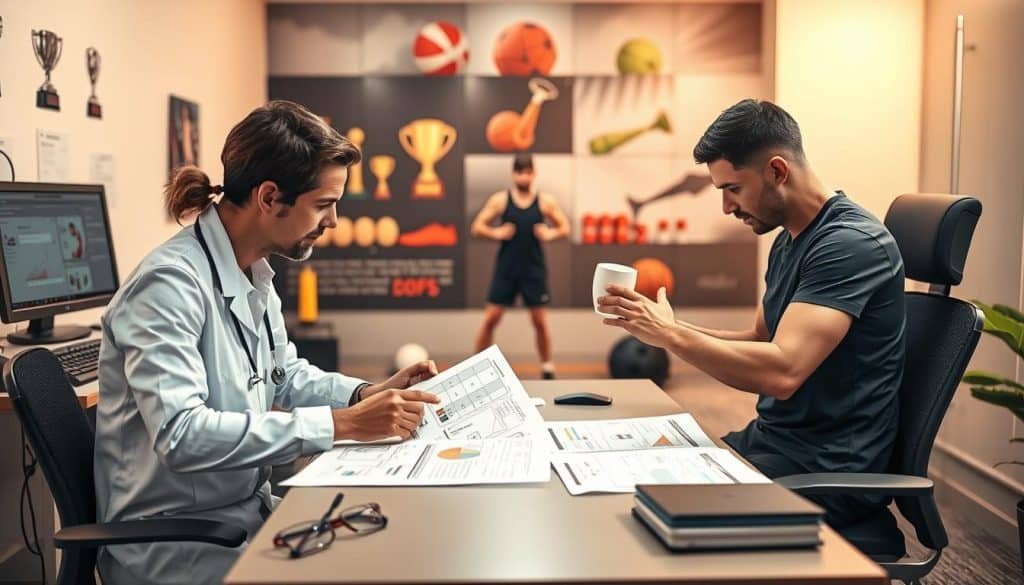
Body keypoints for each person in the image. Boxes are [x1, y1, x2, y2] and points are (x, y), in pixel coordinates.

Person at [94, 100, 441, 584]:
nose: (334, 220)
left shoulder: (252, 270)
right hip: (179, 547)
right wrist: (340, 425)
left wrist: (365, 395)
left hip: (242, 518)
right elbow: (181, 434)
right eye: (323, 204)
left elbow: (285, 376)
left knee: (398, 550)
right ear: (270, 198)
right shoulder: (167, 286)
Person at [597, 99, 906, 530]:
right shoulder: (789, 240)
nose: (726, 207)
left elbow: (782, 372)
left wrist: (672, 337)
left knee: (644, 515)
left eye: (733, 189)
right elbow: (763, 339)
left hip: (828, 472)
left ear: (777, 171)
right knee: (626, 474)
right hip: (774, 443)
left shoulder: (850, 244)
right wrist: (664, 327)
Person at [471, 153, 570, 379]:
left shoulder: (545, 201)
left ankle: (547, 367)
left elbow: (565, 228)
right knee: (491, 318)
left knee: (540, 321)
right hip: (507, 269)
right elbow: (477, 227)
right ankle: (476, 365)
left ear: (533, 174)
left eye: (527, 172)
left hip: (533, 270)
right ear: (513, 174)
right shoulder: (501, 200)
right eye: (519, 172)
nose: (523, 177)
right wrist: (496, 232)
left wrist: (550, 233)